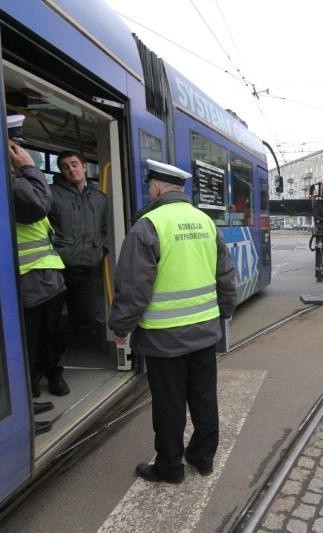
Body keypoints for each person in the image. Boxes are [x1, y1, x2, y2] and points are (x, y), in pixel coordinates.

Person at [109, 160, 237, 484]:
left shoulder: (148, 226)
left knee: (169, 405)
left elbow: (134, 287)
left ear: (155, 186)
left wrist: (120, 328)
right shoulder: (205, 222)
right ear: (180, 188)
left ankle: (170, 467)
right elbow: (225, 274)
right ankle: (203, 458)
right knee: (204, 398)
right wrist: (226, 310)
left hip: (164, 339)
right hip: (204, 333)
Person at [7, 115, 67, 433]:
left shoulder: (16, 179)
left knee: (41, 341)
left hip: (42, 280)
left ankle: (28, 400)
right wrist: (30, 167)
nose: (22, 153)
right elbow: (38, 205)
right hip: (28, 281)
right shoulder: (11, 180)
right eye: (17, 147)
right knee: (25, 348)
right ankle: (22, 419)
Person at [48, 150, 108, 394]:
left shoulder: (100, 199)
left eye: (74, 164)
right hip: (56, 269)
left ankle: (50, 356)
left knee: (84, 320)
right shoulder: (51, 195)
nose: (70, 169)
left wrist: (100, 250)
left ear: (84, 167)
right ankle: (52, 371)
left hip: (86, 269)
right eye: (65, 166)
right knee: (50, 324)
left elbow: (103, 229)